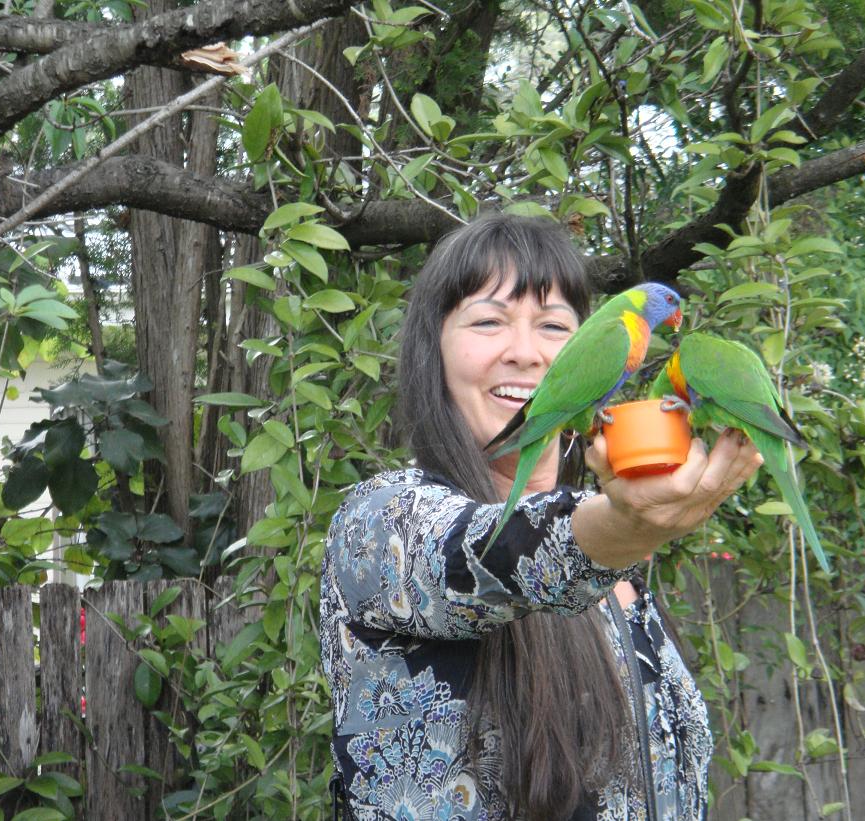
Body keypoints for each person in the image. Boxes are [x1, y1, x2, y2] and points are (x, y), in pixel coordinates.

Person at [319, 214, 763, 820]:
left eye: (555, 325)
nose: (528, 354)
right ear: (433, 349)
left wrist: (623, 536)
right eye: (488, 320)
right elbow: (490, 555)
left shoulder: (620, 577)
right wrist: (622, 529)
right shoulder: (378, 524)